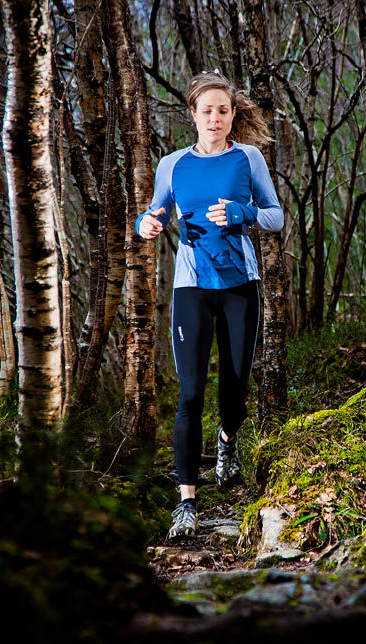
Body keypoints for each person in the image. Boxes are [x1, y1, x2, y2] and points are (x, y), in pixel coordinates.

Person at [136, 70, 284, 539]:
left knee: (236, 388)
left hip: (241, 284)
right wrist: (148, 224)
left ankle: (227, 443)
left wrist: (242, 214)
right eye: (207, 111)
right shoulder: (172, 164)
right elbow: (153, 210)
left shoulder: (249, 158)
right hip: (191, 287)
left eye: (223, 110)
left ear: (233, 114)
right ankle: (186, 502)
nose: (215, 118)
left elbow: (276, 216)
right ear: (194, 115)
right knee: (191, 392)